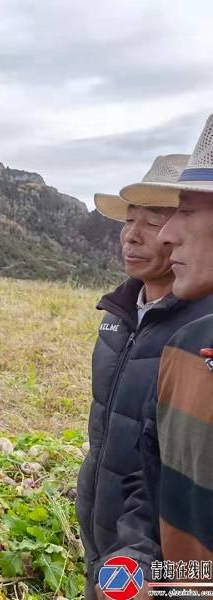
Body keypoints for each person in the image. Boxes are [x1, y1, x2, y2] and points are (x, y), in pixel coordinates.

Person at [74, 155, 213, 598]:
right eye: (129, 220)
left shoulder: (195, 344)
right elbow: (151, 471)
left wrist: (165, 583)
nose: (133, 235)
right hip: (113, 532)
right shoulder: (117, 315)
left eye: (157, 221)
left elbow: (196, 570)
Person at [110, 114, 213, 585]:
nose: (167, 235)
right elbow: (154, 486)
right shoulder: (188, 352)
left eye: (185, 212)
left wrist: (177, 586)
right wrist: (131, 570)